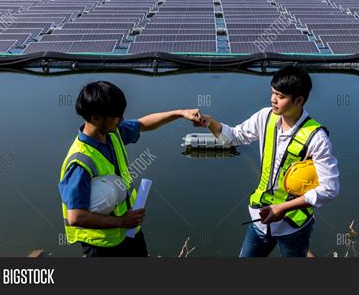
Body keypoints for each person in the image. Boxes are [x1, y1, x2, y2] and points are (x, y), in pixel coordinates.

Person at [201, 66, 340, 257]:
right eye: (273, 93)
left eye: (280, 96)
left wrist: (283, 208)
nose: (273, 100)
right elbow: (233, 137)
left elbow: (330, 189)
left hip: (293, 228)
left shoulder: (316, 138)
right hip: (259, 220)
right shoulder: (266, 117)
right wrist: (209, 122)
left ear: (299, 100)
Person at [58, 81, 204, 257]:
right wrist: (120, 221)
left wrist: (179, 113)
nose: (122, 120)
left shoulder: (112, 133)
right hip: (102, 245)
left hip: (129, 232)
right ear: (96, 118)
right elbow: (76, 217)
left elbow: (142, 124)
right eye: (116, 116)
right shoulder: (80, 162)